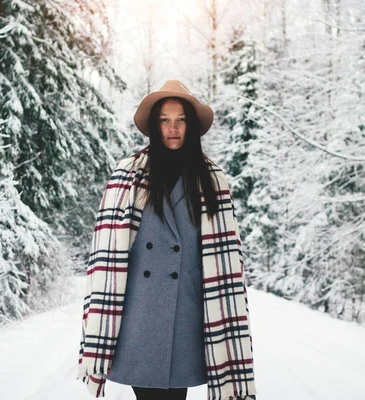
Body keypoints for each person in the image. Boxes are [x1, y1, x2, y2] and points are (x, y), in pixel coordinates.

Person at [77, 80, 257, 400]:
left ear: (191, 125)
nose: (172, 128)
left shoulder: (212, 179)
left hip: (188, 314)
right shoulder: (128, 174)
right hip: (139, 313)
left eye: (180, 119)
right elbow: (105, 254)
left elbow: (228, 259)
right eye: (164, 120)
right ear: (154, 126)